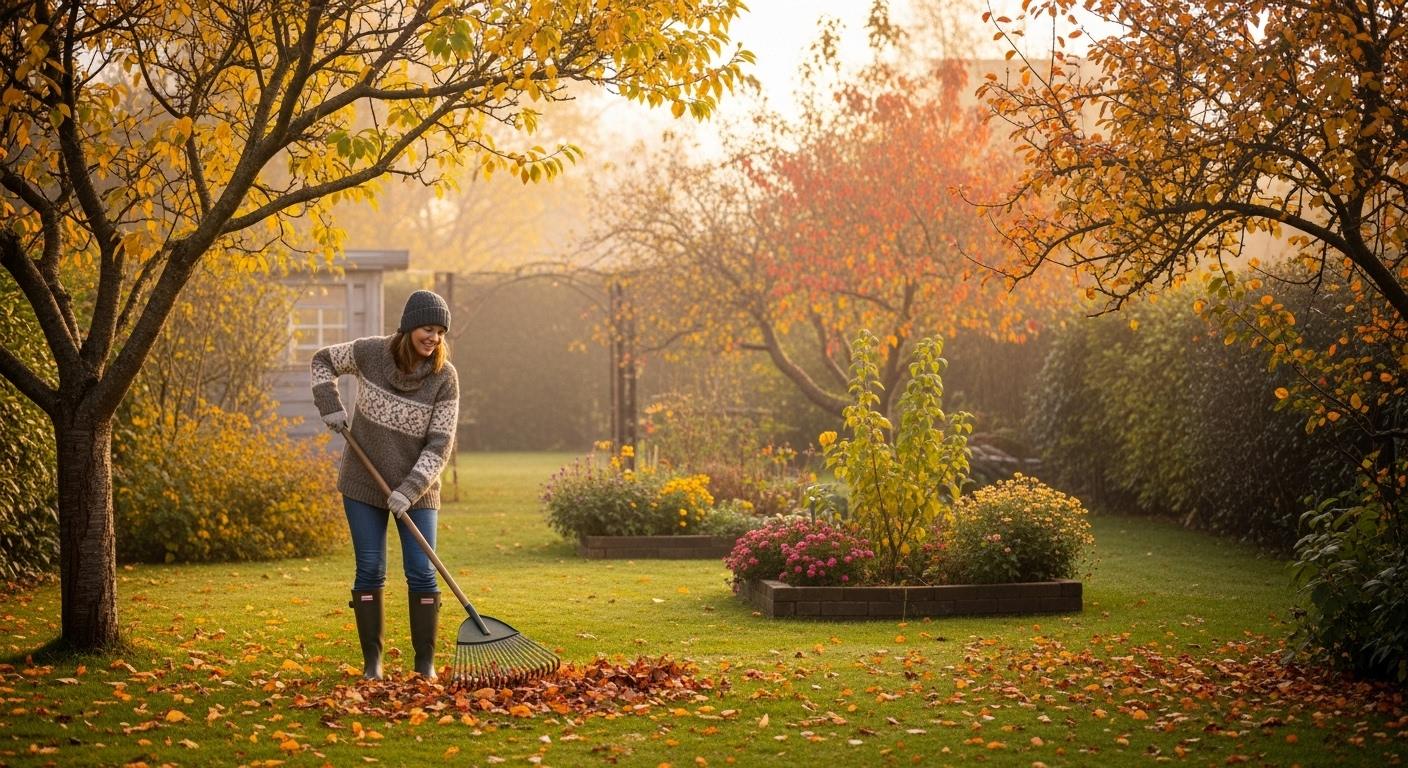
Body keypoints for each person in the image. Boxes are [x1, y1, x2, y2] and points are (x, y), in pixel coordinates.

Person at [310, 290, 459, 679]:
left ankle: (424, 663)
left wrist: (408, 490)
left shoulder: (445, 378)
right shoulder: (371, 353)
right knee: (371, 569)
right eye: (429, 328)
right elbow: (322, 360)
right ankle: (372, 663)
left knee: (422, 573)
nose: (435, 338)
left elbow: (441, 444)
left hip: (418, 491)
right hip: (364, 482)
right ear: (410, 326)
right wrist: (329, 403)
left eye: (441, 332)